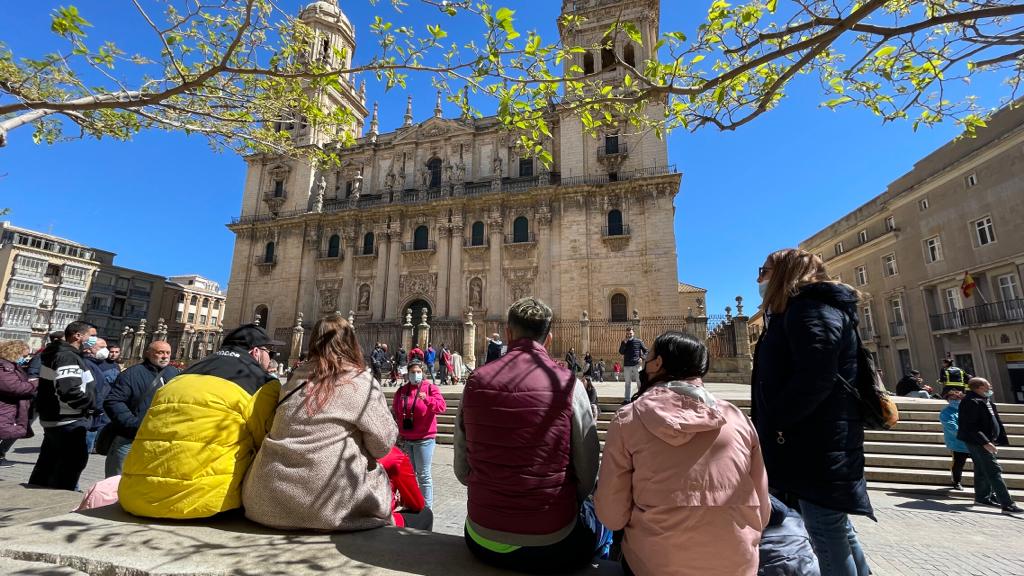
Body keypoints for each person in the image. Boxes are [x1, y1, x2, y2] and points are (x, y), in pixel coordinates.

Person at [597, 331, 770, 576]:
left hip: (654, 565)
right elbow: (763, 512)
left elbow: (611, 517)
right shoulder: (738, 418)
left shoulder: (628, 419)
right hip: (738, 565)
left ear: (657, 364)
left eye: (649, 356)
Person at [455, 297, 605, 573]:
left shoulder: (475, 382)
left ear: (509, 334)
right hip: (552, 542)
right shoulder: (569, 384)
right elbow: (588, 470)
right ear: (548, 339)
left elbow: (461, 470)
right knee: (603, 518)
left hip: (480, 537)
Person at [751, 249, 873, 576]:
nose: (759, 278)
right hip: (817, 439)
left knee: (826, 532)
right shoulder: (803, 309)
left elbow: (816, 375)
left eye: (764, 270)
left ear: (785, 272)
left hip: (814, 443)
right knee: (836, 529)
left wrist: (778, 418)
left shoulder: (811, 309)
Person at [242, 314, 401, 530]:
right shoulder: (359, 382)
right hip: (328, 506)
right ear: (351, 343)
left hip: (264, 499)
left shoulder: (293, 380)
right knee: (417, 513)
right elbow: (382, 446)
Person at [118, 324, 281, 519]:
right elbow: (265, 440)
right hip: (205, 504)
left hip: (136, 497)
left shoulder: (181, 375)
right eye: (270, 353)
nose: (272, 359)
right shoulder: (261, 383)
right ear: (256, 352)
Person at [29, 321, 97, 491]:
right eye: (92, 335)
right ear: (78, 336)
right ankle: (56, 501)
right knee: (69, 467)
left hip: (58, 419)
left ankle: (37, 496)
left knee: (47, 465)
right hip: (67, 420)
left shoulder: (63, 353)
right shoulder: (67, 356)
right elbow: (69, 390)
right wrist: (89, 406)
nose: (94, 339)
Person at [102, 341, 179, 477]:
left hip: (161, 439)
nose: (164, 356)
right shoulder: (132, 374)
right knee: (117, 481)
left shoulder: (174, 373)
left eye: (168, 353)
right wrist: (132, 423)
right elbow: (113, 401)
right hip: (130, 438)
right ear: (148, 353)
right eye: (160, 352)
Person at [957, 377, 1022, 514]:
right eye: (987, 385)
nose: (990, 387)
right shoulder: (970, 402)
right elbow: (970, 426)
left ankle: (983, 497)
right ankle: (1007, 503)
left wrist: (995, 438)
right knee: (993, 470)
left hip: (987, 440)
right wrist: (985, 442)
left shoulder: (984, 400)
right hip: (978, 442)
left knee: (982, 469)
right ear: (979, 387)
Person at [392, 358, 446, 509]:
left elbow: (441, 407)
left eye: (418, 372)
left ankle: (427, 507)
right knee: (409, 475)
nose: (415, 375)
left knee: (423, 475)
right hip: (406, 439)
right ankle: (411, 503)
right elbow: (395, 411)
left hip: (424, 439)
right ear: (407, 374)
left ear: (423, 373)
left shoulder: (430, 388)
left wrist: (427, 399)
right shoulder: (402, 391)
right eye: (412, 372)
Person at [0, 340, 36, 467]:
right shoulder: (5, 367)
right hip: (4, 409)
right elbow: (15, 387)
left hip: (8, 409)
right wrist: (35, 383)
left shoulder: (11, 366)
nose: (25, 358)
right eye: (24, 355)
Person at [379, 445, 434, 530]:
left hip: (352, 517)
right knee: (426, 513)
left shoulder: (354, 449)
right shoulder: (395, 455)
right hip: (374, 521)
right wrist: (397, 500)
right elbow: (417, 504)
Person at [81, 337, 111, 454]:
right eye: (101, 347)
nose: (105, 351)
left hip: (95, 412)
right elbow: (92, 389)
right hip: (91, 412)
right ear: (88, 349)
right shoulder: (88, 364)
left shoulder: (95, 364)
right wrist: (97, 408)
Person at [939, 388, 969, 491]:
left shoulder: (966, 409)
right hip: (957, 443)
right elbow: (951, 426)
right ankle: (956, 481)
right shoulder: (946, 412)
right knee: (958, 463)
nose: (955, 400)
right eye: (952, 398)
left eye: (957, 398)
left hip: (972, 442)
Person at [618, 328, 647, 401]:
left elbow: (646, 351)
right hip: (627, 365)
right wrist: (624, 343)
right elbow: (621, 352)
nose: (629, 335)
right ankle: (627, 399)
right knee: (627, 383)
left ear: (633, 333)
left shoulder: (639, 341)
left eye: (630, 333)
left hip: (637, 364)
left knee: (639, 381)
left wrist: (642, 358)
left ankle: (640, 398)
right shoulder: (624, 342)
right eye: (627, 333)